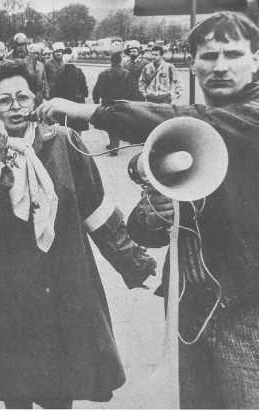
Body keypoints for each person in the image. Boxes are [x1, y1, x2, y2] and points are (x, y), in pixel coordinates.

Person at [35, 11, 259, 409]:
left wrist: (93, 111)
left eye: (232, 53)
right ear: (193, 63)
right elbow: (146, 231)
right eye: (208, 56)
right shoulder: (190, 132)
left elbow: (201, 120)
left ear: (256, 59)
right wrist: (153, 207)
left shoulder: (244, 116)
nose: (220, 66)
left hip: (246, 312)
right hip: (192, 306)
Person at [0, 60, 156, 409]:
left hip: (64, 282)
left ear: (36, 100)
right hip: (4, 289)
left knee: (60, 386)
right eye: (4, 100)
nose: (16, 107)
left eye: (23, 98)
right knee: (16, 388)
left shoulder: (65, 142)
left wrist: (136, 262)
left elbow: (97, 211)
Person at [92, 52, 133, 154]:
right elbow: (131, 90)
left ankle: (113, 145)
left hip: (107, 102)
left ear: (111, 61)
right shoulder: (126, 73)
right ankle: (114, 144)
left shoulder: (104, 73)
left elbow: (97, 89)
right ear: (120, 61)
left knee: (110, 124)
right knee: (118, 123)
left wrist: (96, 100)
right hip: (122, 102)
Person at [51, 58, 88, 133]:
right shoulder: (79, 72)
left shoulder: (59, 72)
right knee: (77, 127)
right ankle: (76, 142)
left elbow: (55, 89)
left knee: (64, 126)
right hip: (77, 103)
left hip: (64, 104)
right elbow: (85, 90)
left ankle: (67, 142)